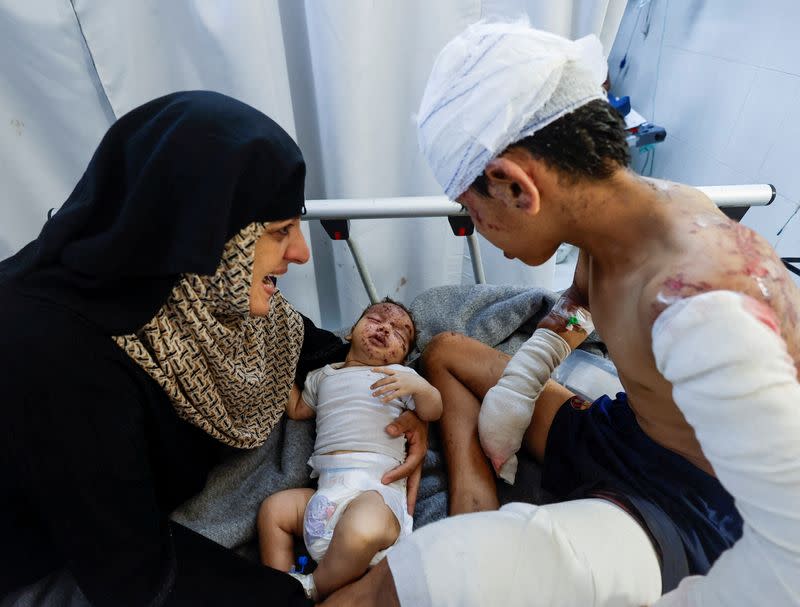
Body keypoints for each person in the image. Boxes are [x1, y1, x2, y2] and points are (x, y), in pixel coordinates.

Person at [321, 21, 800, 607]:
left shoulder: (701, 302)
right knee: (445, 351)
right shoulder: (626, 216)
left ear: (515, 186)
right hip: (632, 433)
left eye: (472, 211)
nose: (483, 234)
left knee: (408, 581)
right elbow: (578, 306)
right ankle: (477, 504)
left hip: (700, 514)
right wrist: (520, 387)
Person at [0, 91, 427, 607]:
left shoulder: (198, 298)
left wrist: (402, 410)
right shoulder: (59, 355)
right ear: (203, 234)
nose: (300, 252)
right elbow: (136, 575)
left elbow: (316, 352)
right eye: (279, 231)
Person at [258, 299, 442, 601]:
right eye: (375, 319)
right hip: (326, 494)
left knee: (360, 529)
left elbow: (433, 410)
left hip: (376, 495)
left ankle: (310, 588)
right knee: (273, 511)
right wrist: (273, 365)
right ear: (349, 332)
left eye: (400, 333)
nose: (385, 328)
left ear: (403, 357)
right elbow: (297, 408)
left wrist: (421, 387)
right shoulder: (323, 376)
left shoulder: (399, 380)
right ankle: (279, 586)